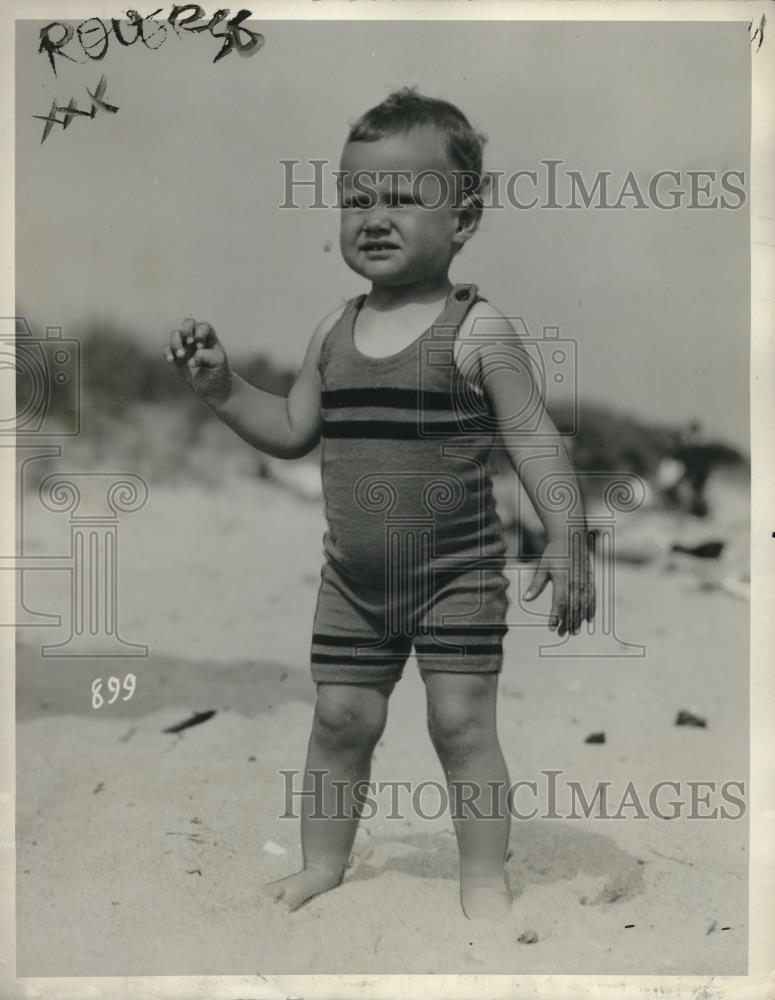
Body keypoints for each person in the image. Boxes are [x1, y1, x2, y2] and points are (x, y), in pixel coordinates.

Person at [164, 88, 595, 921]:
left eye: (402, 199)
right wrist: (221, 388)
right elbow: (292, 431)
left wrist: (566, 538)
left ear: (463, 221)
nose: (374, 216)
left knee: (460, 726)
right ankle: (321, 864)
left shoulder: (478, 331)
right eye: (356, 197)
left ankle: (481, 879)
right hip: (353, 585)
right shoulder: (334, 330)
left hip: (454, 577)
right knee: (337, 723)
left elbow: (536, 441)